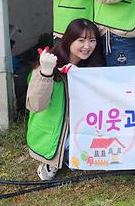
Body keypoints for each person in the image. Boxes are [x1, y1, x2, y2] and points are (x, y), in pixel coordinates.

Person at [26, 19, 104, 181]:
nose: (87, 46)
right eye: (81, 40)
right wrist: (46, 74)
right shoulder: (48, 64)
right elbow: (35, 105)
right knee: (74, 155)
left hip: (84, 125)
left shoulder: (94, 66)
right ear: (68, 40)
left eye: (92, 40)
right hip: (57, 132)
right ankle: (54, 160)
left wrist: (81, 78)